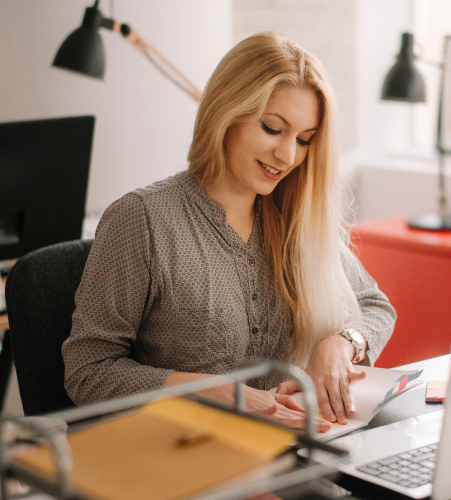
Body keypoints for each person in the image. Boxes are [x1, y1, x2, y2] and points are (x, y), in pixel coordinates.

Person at [62, 32, 396, 432]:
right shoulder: (142, 220)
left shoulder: (297, 218)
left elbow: (376, 306)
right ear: (226, 112)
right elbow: (87, 372)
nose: (288, 156)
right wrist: (203, 390)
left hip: (288, 450)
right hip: (180, 456)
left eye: (304, 140)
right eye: (273, 128)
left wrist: (342, 343)